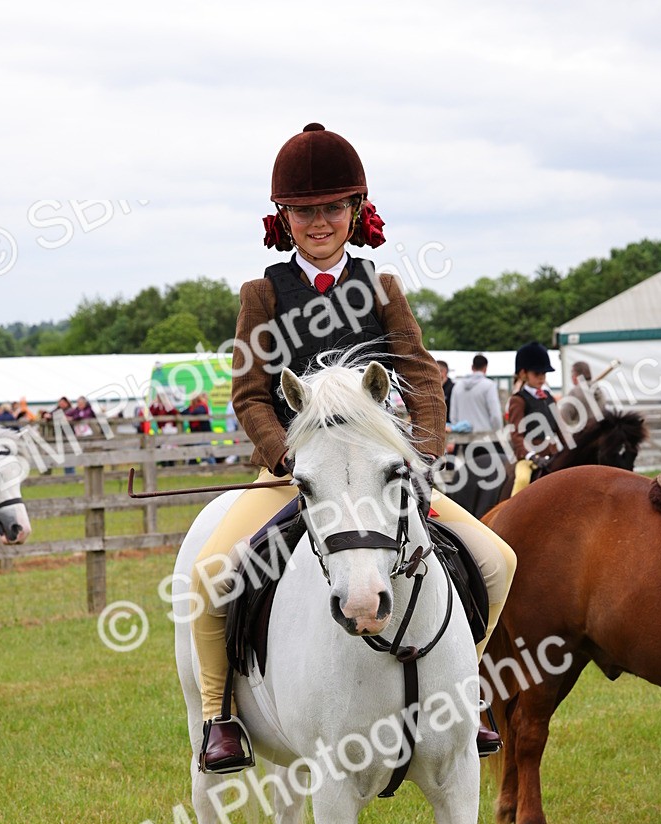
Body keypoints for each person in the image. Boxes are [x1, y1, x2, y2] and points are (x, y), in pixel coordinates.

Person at [192, 122, 516, 770]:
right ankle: (218, 716)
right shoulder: (260, 295)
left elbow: (422, 372)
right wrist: (288, 456)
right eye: (306, 211)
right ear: (284, 217)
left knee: (497, 560)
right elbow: (250, 393)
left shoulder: (382, 287)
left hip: (380, 474)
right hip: (296, 475)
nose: (320, 222)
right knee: (211, 577)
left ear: (355, 211)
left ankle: (464, 691)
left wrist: (421, 452)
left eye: (332, 208)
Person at [507, 342, 561, 495]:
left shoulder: (549, 397)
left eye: (544, 374)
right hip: (529, 457)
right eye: (537, 374)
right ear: (524, 374)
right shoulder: (518, 400)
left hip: (551, 454)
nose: (541, 378)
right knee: (523, 479)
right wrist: (531, 455)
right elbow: (516, 434)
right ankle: (512, 512)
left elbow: (560, 428)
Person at [449, 355, 503, 433]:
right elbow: (495, 415)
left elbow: (453, 416)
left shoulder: (457, 386)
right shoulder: (489, 385)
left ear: (472, 367)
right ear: (485, 368)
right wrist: (498, 431)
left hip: (461, 438)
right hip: (484, 437)